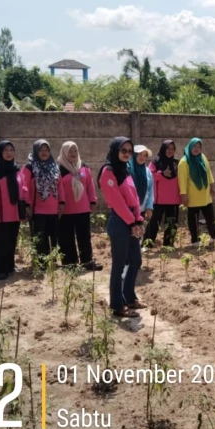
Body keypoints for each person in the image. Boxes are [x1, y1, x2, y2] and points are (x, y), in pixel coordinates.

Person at [98, 137, 144, 319]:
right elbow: (117, 202)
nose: (127, 154)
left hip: (131, 220)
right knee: (118, 266)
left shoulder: (125, 170)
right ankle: (117, 305)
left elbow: (134, 198)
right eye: (123, 150)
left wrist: (138, 219)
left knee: (136, 260)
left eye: (130, 151)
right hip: (120, 222)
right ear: (115, 150)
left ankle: (129, 298)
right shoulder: (108, 172)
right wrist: (132, 222)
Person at [56, 141, 101, 271]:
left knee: (84, 236)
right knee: (66, 237)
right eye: (70, 151)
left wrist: (92, 201)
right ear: (64, 153)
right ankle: (69, 263)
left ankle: (87, 261)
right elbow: (57, 189)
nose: (73, 154)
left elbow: (90, 185)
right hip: (65, 210)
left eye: (75, 151)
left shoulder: (84, 167)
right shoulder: (59, 169)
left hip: (83, 209)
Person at [0, 140, 28, 281]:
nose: (9, 153)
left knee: (12, 239)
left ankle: (10, 266)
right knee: (2, 240)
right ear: (0, 152)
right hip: (1, 211)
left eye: (11, 150)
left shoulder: (16, 168)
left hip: (15, 210)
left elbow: (23, 186)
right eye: (6, 150)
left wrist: (26, 203)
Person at [22, 139, 64, 261]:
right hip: (37, 210)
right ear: (36, 151)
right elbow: (23, 186)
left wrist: (62, 202)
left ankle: (52, 261)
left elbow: (60, 185)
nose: (44, 153)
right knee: (40, 237)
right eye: (41, 150)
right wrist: (26, 204)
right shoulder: (30, 167)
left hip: (53, 209)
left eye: (47, 150)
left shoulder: (54, 166)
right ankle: (41, 262)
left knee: (53, 236)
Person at [178, 137, 215, 246]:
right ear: (190, 146)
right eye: (194, 146)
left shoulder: (202, 157)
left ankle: (214, 237)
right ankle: (195, 240)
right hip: (192, 196)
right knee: (193, 219)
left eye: (199, 147)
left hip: (205, 194)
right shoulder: (184, 162)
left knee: (210, 217)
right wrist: (184, 195)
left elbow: (208, 172)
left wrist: (212, 185)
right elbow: (182, 180)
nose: (196, 149)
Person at [147, 139, 180, 248]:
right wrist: (161, 174)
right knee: (154, 222)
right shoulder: (155, 162)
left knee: (171, 223)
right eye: (168, 148)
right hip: (159, 200)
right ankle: (147, 244)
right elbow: (149, 176)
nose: (170, 151)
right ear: (163, 149)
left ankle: (168, 244)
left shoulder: (176, 163)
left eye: (172, 149)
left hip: (174, 199)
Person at [130, 145, 155, 245]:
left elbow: (150, 191)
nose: (142, 157)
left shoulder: (147, 172)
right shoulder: (128, 170)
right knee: (129, 233)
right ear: (134, 155)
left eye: (145, 155)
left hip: (142, 208)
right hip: (129, 209)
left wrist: (149, 207)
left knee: (138, 232)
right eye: (140, 154)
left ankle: (137, 250)